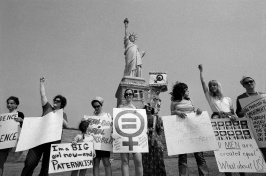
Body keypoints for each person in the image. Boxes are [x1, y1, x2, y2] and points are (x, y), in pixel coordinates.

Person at [198, 65, 244, 176]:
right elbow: (203, 84)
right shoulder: (210, 97)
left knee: (236, 147)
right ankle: (228, 173)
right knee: (224, 149)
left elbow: (233, 113)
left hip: (231, 124)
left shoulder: (228, 99)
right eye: (211, 85)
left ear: (218, 86)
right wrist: (201, 72)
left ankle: (242, 172)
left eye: (214, 85)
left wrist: (234, 117)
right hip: (218, 123)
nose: (212, 87)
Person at [21, 77, 68, 176]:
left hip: (52, 142)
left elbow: (66, 125)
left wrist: (57, 113)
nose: (55, 101)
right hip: (38, 140)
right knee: (30, 163)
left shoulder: (63, 114)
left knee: (46, 167)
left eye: (58, 101)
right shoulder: (47, 108)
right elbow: (43, 95)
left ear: (62, 104)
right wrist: (41, 83)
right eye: (55, 100)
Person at [170, 82, 209, 176]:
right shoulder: (174, 102)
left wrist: (199, 111)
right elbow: (171, 113)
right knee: (182, 156)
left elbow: (194, 112)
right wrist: (177, 112)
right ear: (181, 91)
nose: (188, 91)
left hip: (193, 130)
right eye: (186, 89)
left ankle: (204, 174)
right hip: (181, 132)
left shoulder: (190, 100)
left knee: (199, 155)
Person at [236, 76, 266, 159]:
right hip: (253, 129)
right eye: (246, 83)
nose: (249, 83)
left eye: (251, 81)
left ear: (254, 82)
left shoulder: (263, 95)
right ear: (243, 86)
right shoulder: (241, 98)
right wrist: (242, 112)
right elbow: (238, 114)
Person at [117, 88, 143, 176]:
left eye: (130, 94)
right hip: (123, 136)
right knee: (124, 161)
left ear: (133, 96)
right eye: (127, 94)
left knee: (138, 161)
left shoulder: (137, 108)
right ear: (124, 96)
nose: (128, 95)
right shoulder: (120, 108)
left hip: (135, 137)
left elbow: (141, 122)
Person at [0, 96, 24, 176]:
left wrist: (22, 120)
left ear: (16, 105)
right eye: (8, 103)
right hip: (3, 143)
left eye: (12, 103)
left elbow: (25, 127)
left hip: (13, 143)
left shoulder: (19, 114)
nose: (9, 105)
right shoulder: (3, 117)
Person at [142, 103, 166, 176]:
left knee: (159, 160)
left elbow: (160, 130)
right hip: (144, 141)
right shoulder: (141, 118)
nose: (149, 107)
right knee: (147, 161)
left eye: (150, 106)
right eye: (147, 106)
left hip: (156, 141)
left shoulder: (157, 117)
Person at [90, 97, 112, 176]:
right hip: (95, 144)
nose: (96, 108)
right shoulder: (92, 118)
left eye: (98, 106)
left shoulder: (108, 115)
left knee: (106, 162)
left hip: (104, 144)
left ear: (101, 105)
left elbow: (111, 129)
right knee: (96, 163)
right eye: (94, 106)